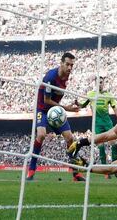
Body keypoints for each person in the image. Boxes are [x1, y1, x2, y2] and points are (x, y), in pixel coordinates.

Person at [27, 52, 85, 182]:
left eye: (72, 65)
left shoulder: (65, 78)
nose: (70, 68)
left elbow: (56, 97)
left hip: (56, 111)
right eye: (67, 64)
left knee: (70, 138)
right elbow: (47, 100)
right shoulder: (51, 77)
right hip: (43, 110)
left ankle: (76, 174)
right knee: (41, 135)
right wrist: (68, 108)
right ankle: (31, 170)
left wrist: (74, 104)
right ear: (61, 63)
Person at [77, 76, 117, 179]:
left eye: (101, 82)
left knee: (114, 144)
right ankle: (106, 172)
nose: (100, 84)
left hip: (108, 124)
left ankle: (115, 169)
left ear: (103, 83)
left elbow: (115, 108)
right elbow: (82, 105)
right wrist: (77, 103)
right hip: (97, 124)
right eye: (98, 83)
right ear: (95, 84)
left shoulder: (108, 95)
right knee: (101, 147)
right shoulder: (91, 94)